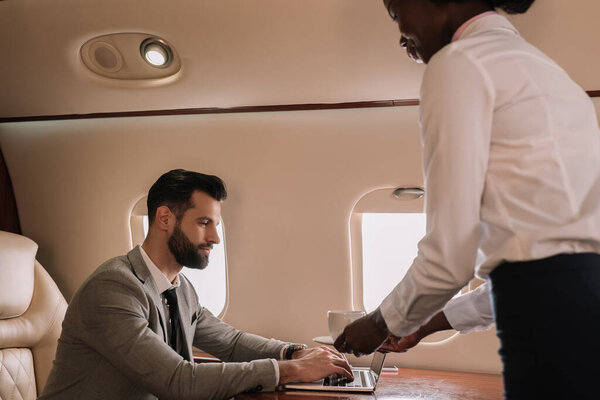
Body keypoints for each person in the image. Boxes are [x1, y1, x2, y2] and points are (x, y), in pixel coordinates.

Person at [335, 1, 600, 399]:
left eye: (395, 11)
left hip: (545, 315)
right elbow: (538, 258)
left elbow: (449, 258)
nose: (400, 35)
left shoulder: (459, 63)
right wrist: (423, 324)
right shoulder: (548, 73)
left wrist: (380, 321)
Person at [40, 169, 352, 400]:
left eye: (216, 224)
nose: (215, 237)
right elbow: (177, 381)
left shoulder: (179, 287)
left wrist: (293, 352)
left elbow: (229, 342)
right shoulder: (112, 288)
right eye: (204, 223)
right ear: (165, 219)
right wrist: (291, 371)